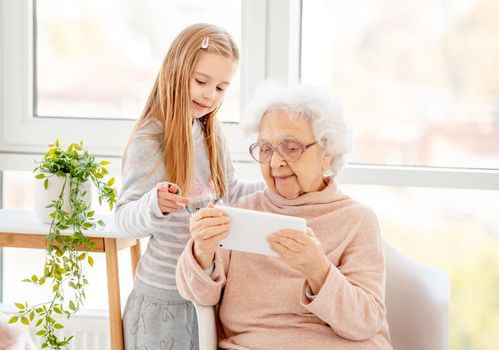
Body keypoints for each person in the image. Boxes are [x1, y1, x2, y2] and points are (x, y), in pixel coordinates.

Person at [176, 83, 393, 349]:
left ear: (327, 153)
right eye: (266, 149)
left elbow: (365, 322)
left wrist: (318, 270)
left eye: (291, 147)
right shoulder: (244, 212)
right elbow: (198, 295)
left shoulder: (357, 220)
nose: (275, 162)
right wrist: (203, 251)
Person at [114, 23, 263, 350]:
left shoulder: (211, 134)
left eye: (222, 87)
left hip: (204, 294)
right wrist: (154, 204)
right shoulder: (152, 139)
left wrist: (280, 188)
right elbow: (123, 217)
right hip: (162, 301)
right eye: (201, 81)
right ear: (176, 71)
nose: (210, 95)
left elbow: (232, 193)